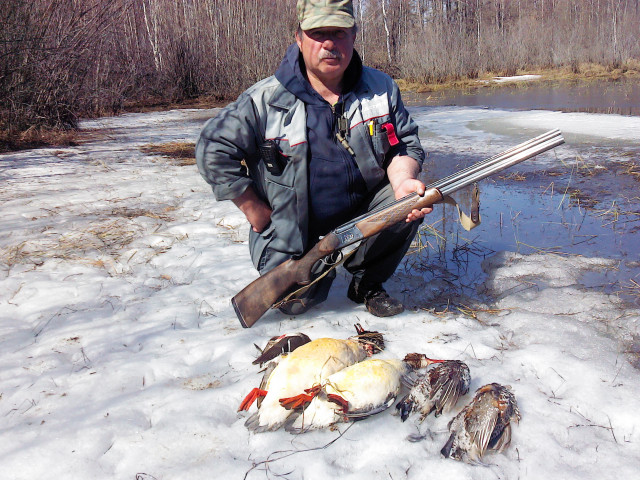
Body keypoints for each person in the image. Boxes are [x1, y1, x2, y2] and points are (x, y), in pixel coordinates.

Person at [195, 0, 431, 318]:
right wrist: (253, 208)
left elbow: (402, 145)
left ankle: (367, 282)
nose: (330, 43)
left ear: (354, 35)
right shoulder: (262, 100)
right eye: (318, 33)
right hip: (289, 223)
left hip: (362, 212)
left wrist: (403, 182)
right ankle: (318, 271)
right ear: (299, 37)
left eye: (339, 32)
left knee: (411, 200)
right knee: (296, 304)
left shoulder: (381, 89)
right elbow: (211, 149)